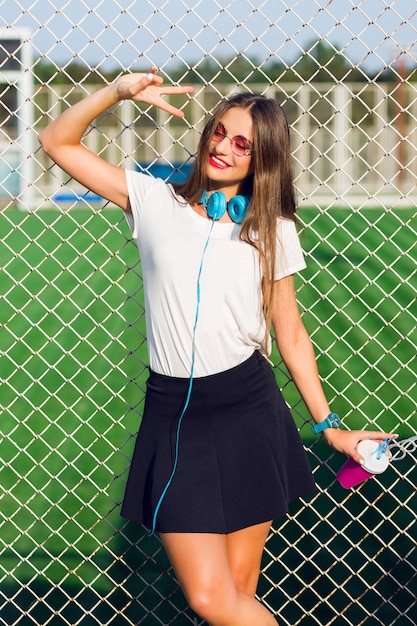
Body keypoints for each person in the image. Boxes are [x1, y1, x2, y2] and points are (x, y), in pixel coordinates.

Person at [38, 68, 395, 626]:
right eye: (218, 133)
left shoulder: (272, 227)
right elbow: (56, 141)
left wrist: (330, 427)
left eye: (242, 143)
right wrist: (117, 92)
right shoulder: (152, 201)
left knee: (236, 593)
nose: (223, 148)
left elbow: (291, 334)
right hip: (173, 413)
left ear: (261, 160)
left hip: (249, 409)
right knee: (211, 598)